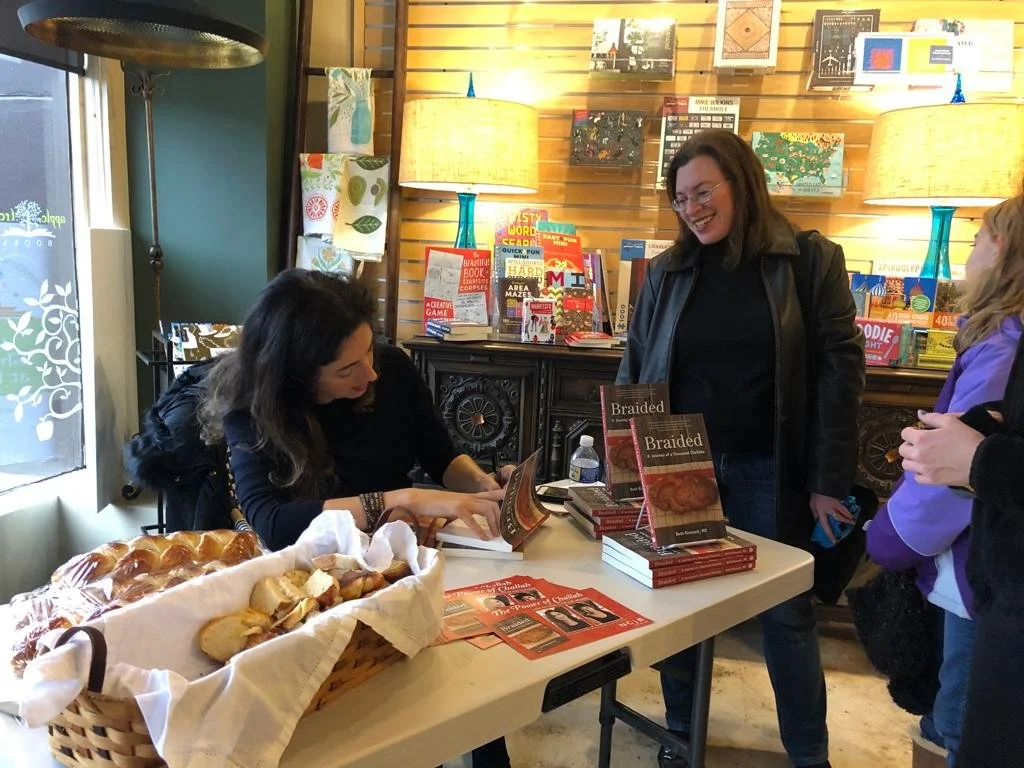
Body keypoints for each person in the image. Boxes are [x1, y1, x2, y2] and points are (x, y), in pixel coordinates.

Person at [618, 129, 864, 768]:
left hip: (769, 467)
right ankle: (680, 735)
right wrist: (627, 465)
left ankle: (810, 755)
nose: (692, 208)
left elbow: (841, 374)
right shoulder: (668, 272)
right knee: (679, 608)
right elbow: (638, 369)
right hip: (681, 465)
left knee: (786, 616)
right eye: (680, 198)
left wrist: (828, 479)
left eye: (703, 191)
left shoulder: (810, 260)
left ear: (742, 182)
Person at [200, 269, 514, 768]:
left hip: (397, 568)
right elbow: (272, 522)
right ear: (297, 375)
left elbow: (440, 455)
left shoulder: (390, 369)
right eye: (348, 369)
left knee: (467, 687)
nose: (370, 374)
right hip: (316, 592)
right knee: (360, 728)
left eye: (369, 352)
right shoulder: (253, 411)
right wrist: (402, 497)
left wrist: (483, 488)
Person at [866, 196, 1024, 765]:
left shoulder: (1001, 346)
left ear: (1000, 248)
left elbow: (950, 474)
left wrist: (888, 537)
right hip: (981, 571)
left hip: (980, 574)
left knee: (961, 720)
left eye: (979, 237)